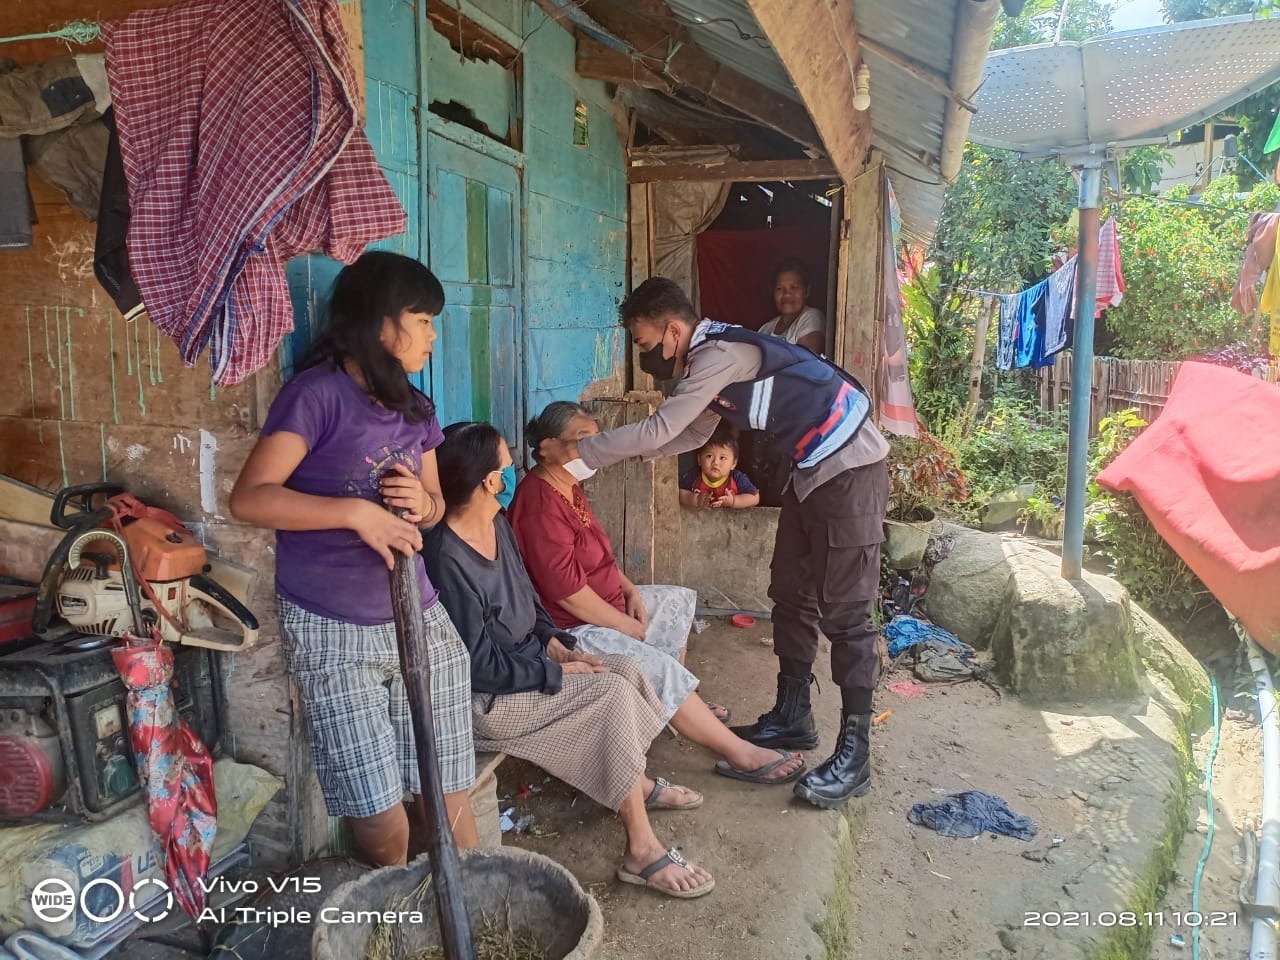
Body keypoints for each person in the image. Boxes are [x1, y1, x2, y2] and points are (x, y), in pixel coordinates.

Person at [535, 277, 891, 810]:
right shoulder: (708, 361)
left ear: (672, 332)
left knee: (846, 613)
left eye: (644, 342)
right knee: (790, 594)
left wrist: (584, 454)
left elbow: (661, 429)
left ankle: (856, 755)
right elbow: (692, 434)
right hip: (811, 469)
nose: (645, 355)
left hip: (850, 468)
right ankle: (793, 715)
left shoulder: (718, 355)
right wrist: (618, 455)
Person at [229, 252, 478, 866]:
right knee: (381, 821)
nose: (433, 334)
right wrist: (354, 513)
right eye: (423, 319)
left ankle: (465, 901)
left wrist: (422, 502)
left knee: (449, 802)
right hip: (332, 629)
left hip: (419, 617)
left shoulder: (415, 407)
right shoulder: (316, 396)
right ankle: (393, 907)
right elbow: (250, 498)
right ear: (380, 321)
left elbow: (436, 508)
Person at [423, 425, 725, 899]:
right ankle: (641, 849)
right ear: (488, 481)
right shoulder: (446, 557)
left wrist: (557, 645)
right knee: (610, 696)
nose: (514, 472)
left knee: (624, 671)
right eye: (507, 466)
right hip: (490, 699)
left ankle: (634, 783)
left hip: (531, 665)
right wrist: (554, 672)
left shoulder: (497, 524)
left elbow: (531, 600)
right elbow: (478, 667)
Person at [678, 428, 761, 510]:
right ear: (699, 459)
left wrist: (733, 501)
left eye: (722, 458)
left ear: (733, 463)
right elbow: (678, 493)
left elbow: (755, 498)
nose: (716, 462)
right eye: (709, 456)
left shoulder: (737, 478)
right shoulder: (693, 475)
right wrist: (695, 499)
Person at [759, 257, 826, 354]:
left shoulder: (812, 318)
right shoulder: (765, 329)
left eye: (793, 287)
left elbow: (805, 361)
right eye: (779, 288)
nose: (786, 294)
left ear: (807, 291)